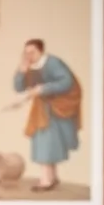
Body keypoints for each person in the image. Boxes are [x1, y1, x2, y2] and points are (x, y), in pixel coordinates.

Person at [10, 39, 82, 191]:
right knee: (47, 143)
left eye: (32, 52)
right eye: (26, 52)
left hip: (58, 107)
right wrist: (21, 72)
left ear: (41, 51)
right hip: (43, 109)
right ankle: (52, 177)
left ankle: (46, 180)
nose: (28, 55)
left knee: (46, 144)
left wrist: (43, 89)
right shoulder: (28, 65)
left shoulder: (52, 62)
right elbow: (18, 88)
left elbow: (66, 82)